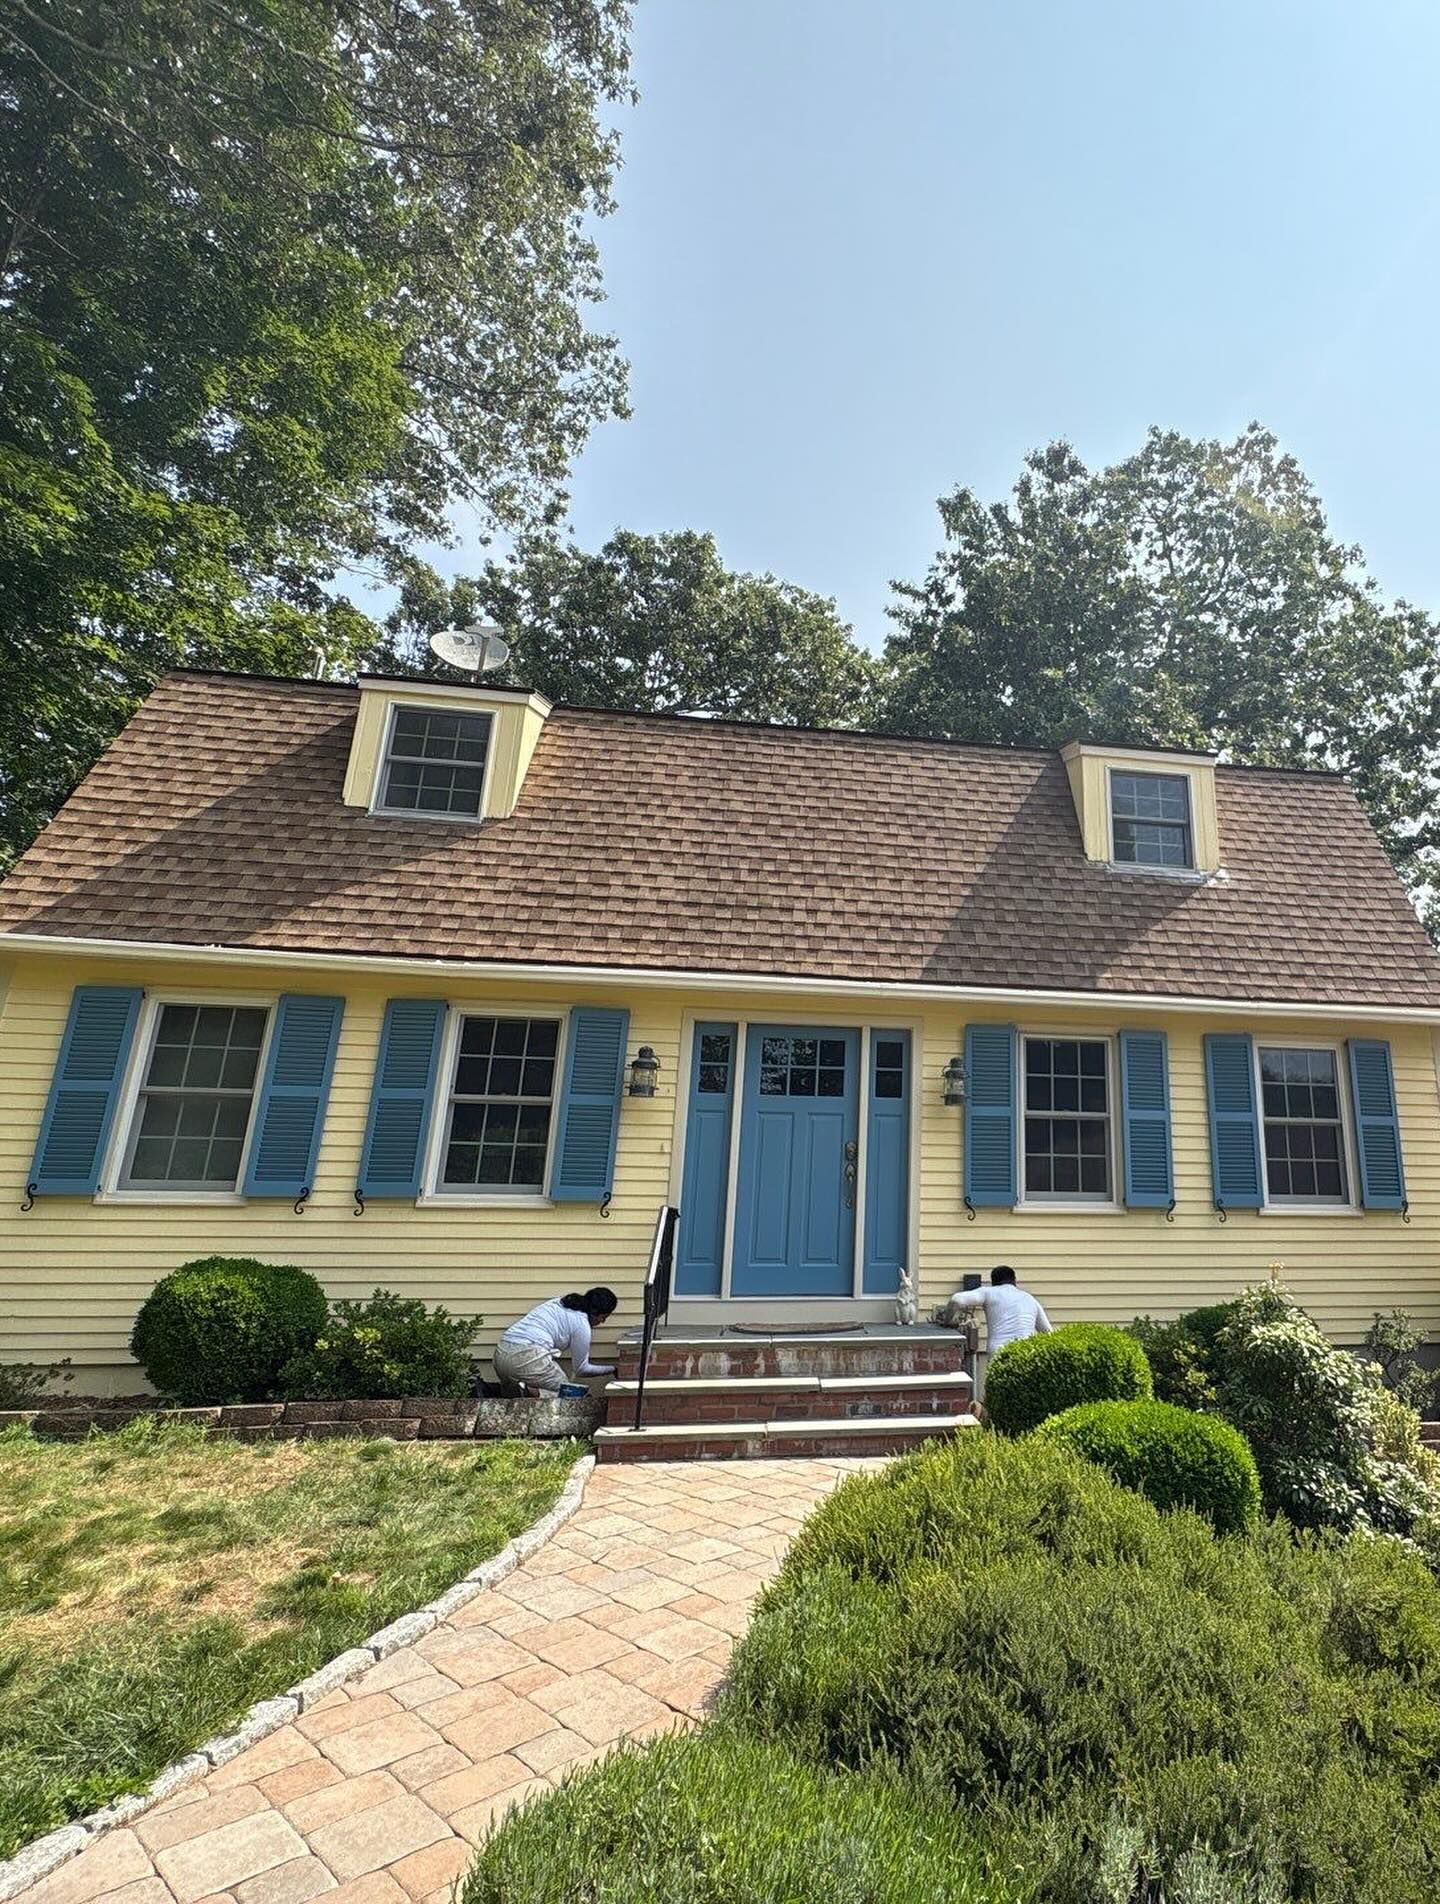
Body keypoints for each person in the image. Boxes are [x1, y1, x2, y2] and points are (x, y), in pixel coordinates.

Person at [494, 1288, 618, 1397]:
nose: (602, 1322)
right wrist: (612, 1369)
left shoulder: (558, 1303)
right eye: (603, 1317)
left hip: (501, 1353)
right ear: (597, 1313)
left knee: (513, 1402)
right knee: (568, 1393)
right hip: (529, 1356)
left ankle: (523, 1390)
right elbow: (581, 1369)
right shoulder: (582, 1324)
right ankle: (531, 1392)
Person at [949, 1265, 1052, 1350]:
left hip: (999, 1351)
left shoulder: (989, 1292)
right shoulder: (1029, 1298)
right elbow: (1048, 1333)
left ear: (993, 1282)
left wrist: (949, 1321)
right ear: (1014, 1280)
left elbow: (957, 1300)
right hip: (1025, 1352)